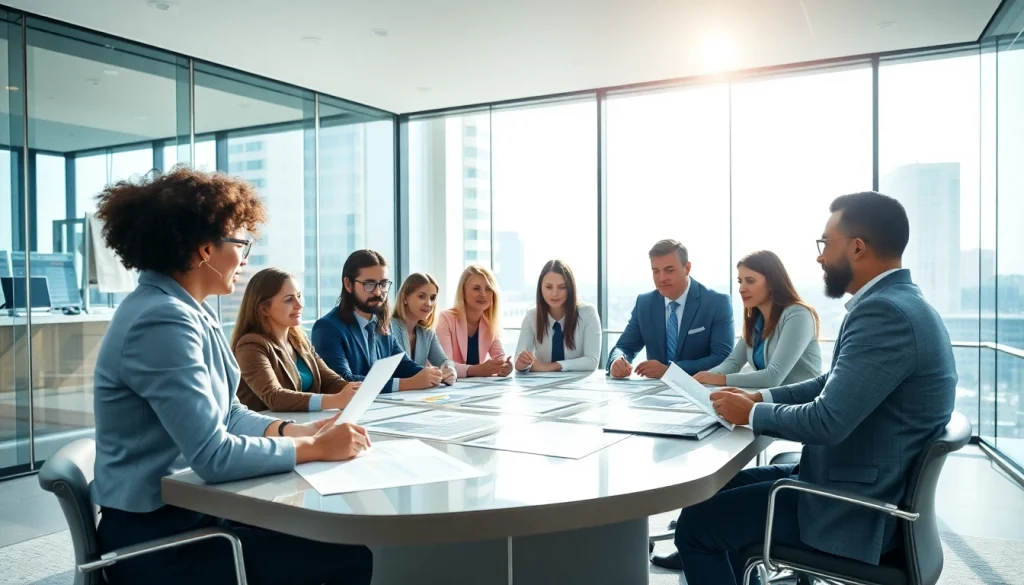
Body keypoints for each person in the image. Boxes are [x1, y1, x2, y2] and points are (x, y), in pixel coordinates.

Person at [90, 167, 373, 585]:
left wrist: (294, 431)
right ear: (206, 250)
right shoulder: (161, 320)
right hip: (158, 540)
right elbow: (212, 455)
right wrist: (315, 448)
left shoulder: (189, 310)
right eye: (242, 243)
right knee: (345, 557)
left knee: (326, 535)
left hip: (192, 514)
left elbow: (230, 413)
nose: (246, 257)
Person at [657, 192, 957, 584]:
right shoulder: (897, 302)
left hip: (856, 511)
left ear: (857, 247)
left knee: (696, 529)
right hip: (851, 480)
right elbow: (830, 383)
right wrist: (758, 398)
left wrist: (750, 413)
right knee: (709, 495)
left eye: (825, 244)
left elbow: (827, 421)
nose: (819, 257)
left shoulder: (885, 313)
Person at [311, 250, 443, 392]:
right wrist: (407, 384)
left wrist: (434, 375)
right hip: (346, 411)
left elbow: (404, 365)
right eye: (369, 284)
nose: (378, 292)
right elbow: (342, 380)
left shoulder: (381, 324)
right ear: (348, 285)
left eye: (383, 284)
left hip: (384, 407)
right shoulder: (327, 328)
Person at [233, 267, 361, 412]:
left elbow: (330, 380)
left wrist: (355, 390)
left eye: (299, 296)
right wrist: (336, 400)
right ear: (264, 309)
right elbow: (275, 397)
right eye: (289, 300)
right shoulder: (250, 346)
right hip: (266, 430)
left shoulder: (299, 340)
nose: (299, 305)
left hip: (302, 423)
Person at [692, 250, 822, 389]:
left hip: (804, 405)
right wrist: (701, 379)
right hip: (772, 402)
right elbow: (733, 363)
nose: (741, 288)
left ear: (772, 283)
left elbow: (773, 377)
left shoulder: (798, 315)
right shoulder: (755, 321)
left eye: (750, 281)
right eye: (740, 281)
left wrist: (720, 379)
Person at [607, 239, 733, 379]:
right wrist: (617, 361)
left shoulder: (717, 303)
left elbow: (722, 358)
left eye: (669, 270)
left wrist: (670, 370)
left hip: (701, 389)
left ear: (687, 268)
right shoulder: (645, 303)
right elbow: (624, 346)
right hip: (655, 392)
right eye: (656, 271)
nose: (661, 278)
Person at [514, 260, 601, 373]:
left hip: (578, 385)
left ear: (570, 288)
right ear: (540, 288)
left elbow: (592, 361)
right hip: (542, 384)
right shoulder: (532, 315)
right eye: (548, 287)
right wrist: (522, 362)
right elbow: (519, 361)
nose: (555, 293)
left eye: (562, 287)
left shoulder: (587, 312)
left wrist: (551, 366)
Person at [436, 264, 513, 378]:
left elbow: (500, 357)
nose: (483, 294)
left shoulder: (488, 323)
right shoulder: (445, 319)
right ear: (463, 291)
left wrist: (506, 367)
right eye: (476, 288)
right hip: (447, 386)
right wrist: (476, 370)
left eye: (488, 289)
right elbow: (445, 366)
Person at [390, 272, 457, 384]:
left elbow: (444, 361)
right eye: (422, 296)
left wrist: (450, 371)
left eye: (432, 298)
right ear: (405, 298)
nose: (429, 303)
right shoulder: (389, 327)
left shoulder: (427, 333)